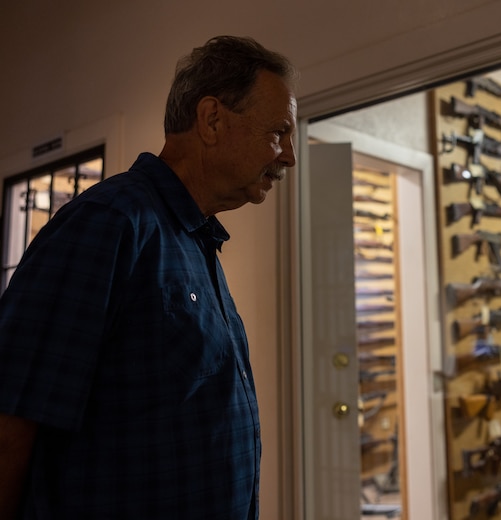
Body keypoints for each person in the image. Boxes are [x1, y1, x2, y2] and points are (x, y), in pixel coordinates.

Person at [0, 35, 297, 520]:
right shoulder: (109, 222)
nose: (288, 156)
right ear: (212, 120)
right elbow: (12, 421)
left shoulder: (196, 239)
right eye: (279, 132)